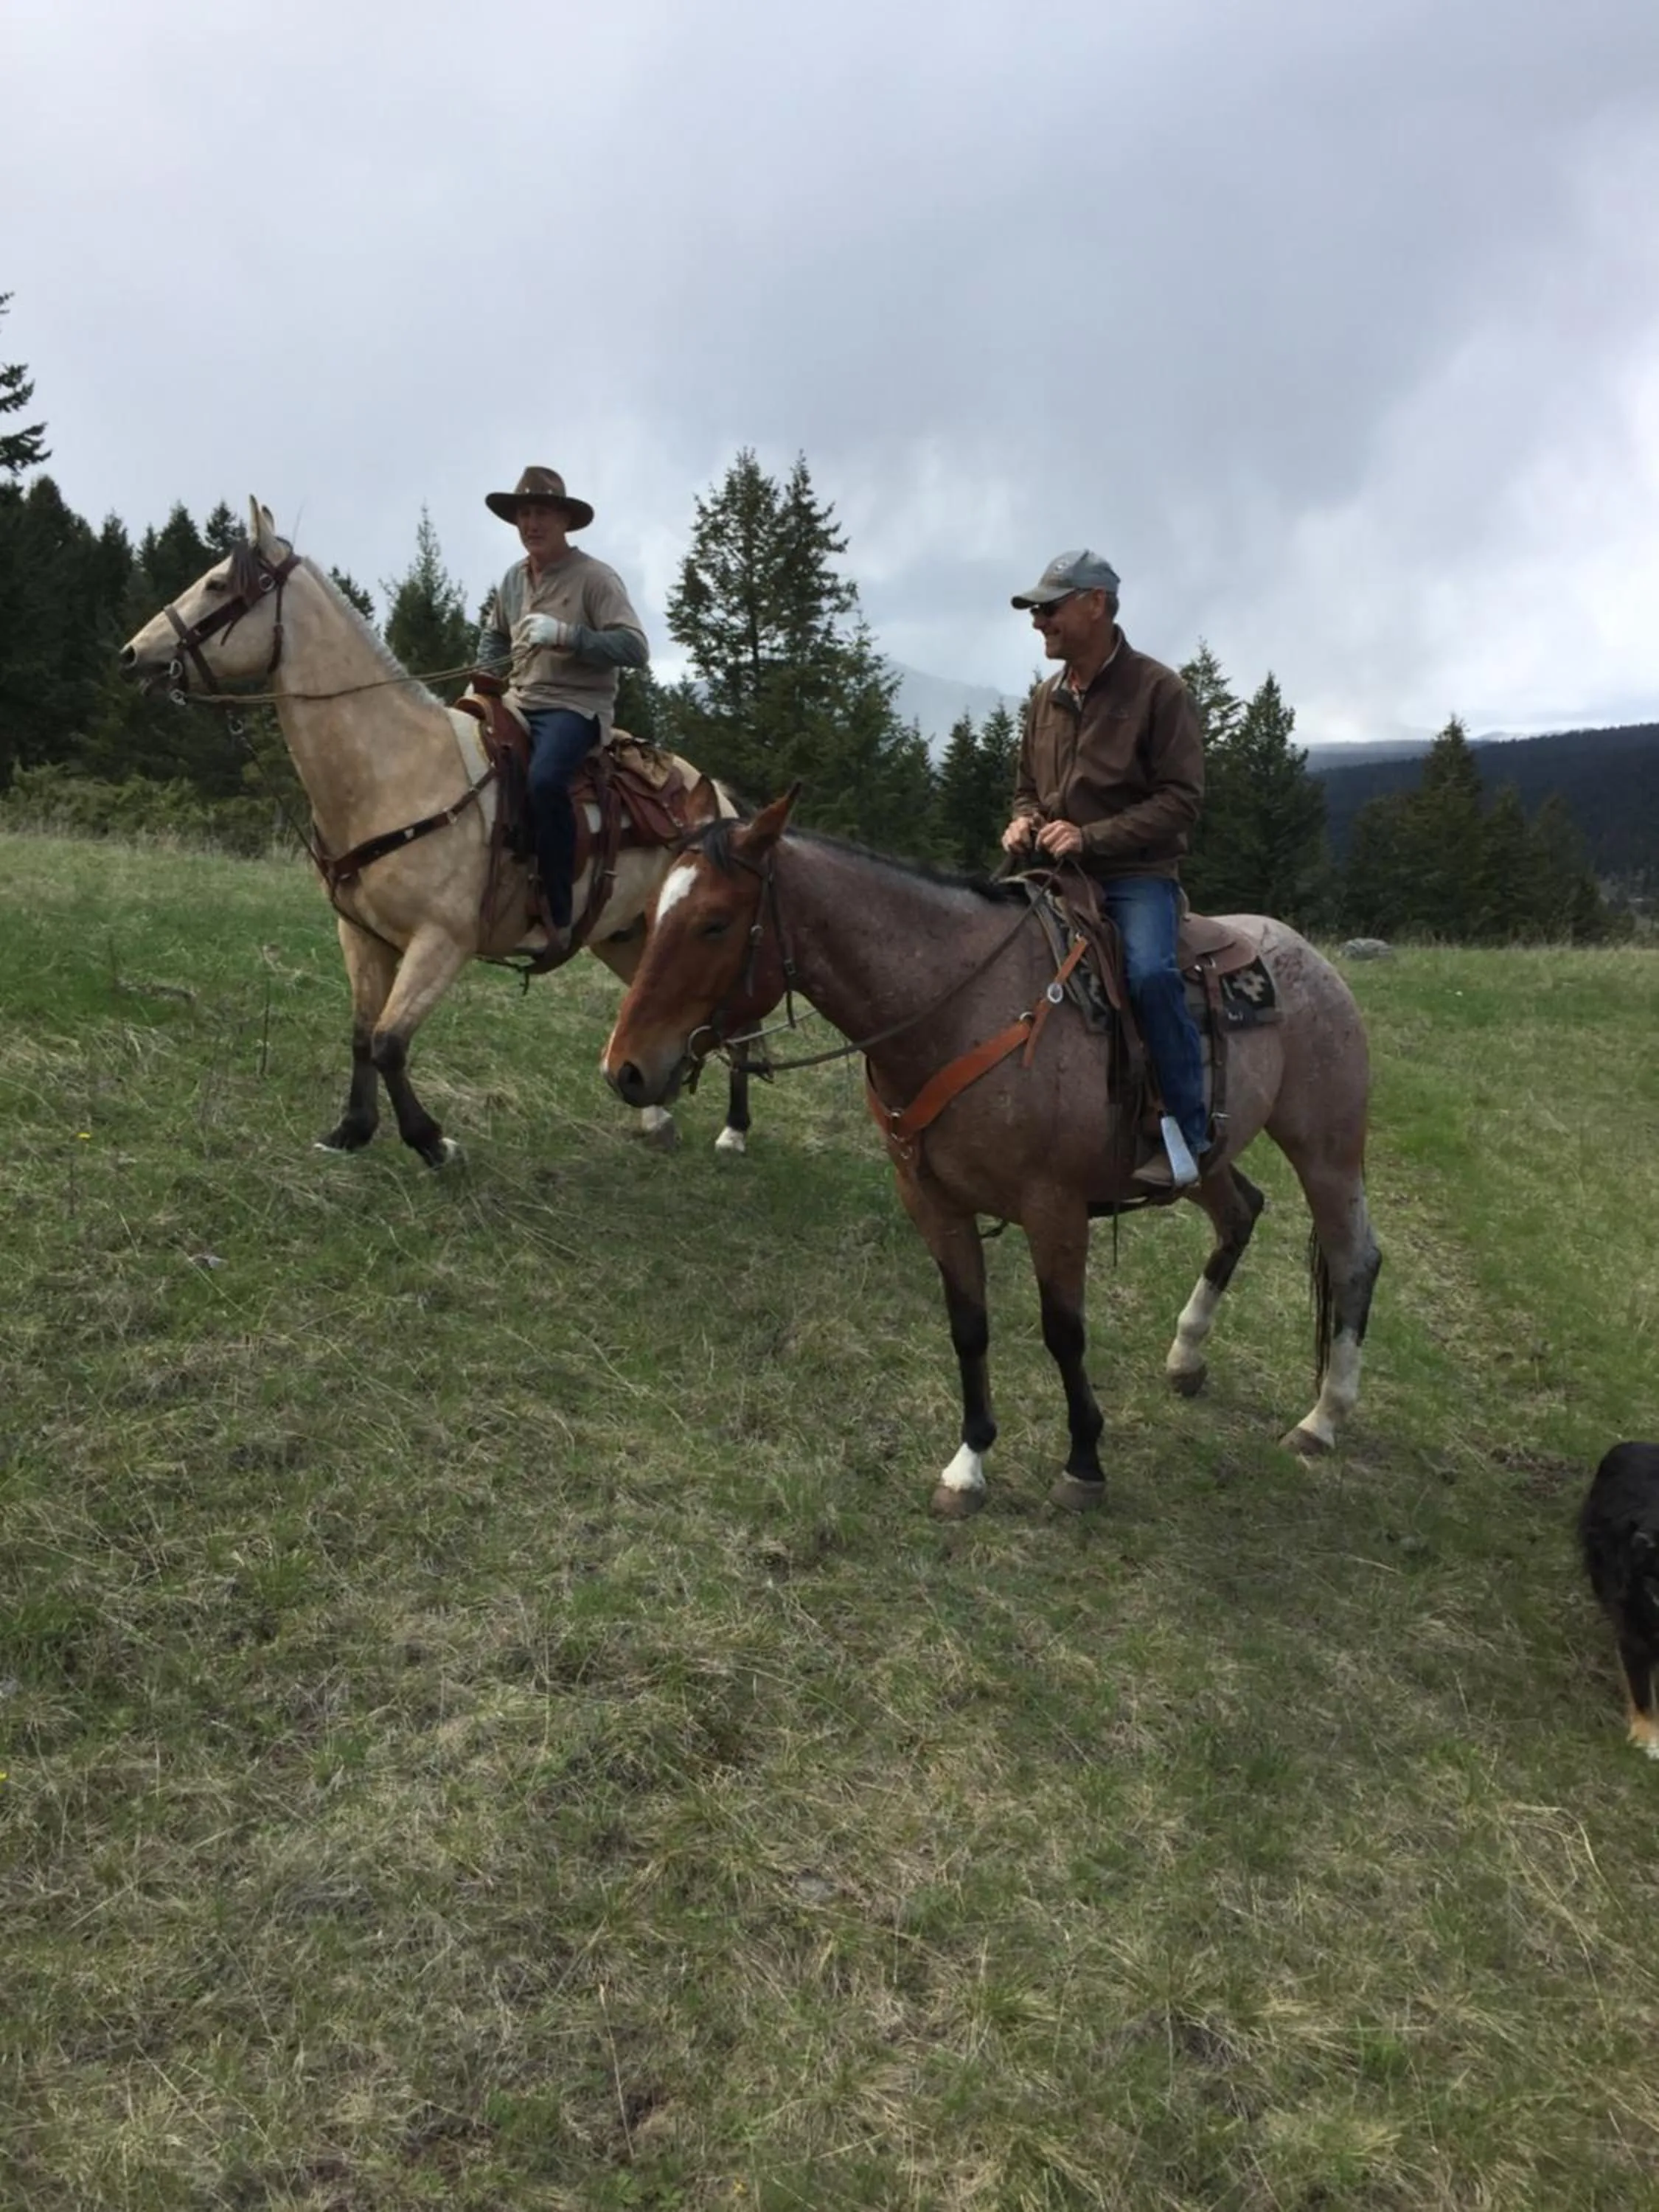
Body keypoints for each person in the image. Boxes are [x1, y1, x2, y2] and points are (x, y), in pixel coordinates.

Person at [999, 549, 1210, 1189]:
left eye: (1050, 607)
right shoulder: (1046, 697)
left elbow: (1181, 802)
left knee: (1148, 975)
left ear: (1096, 604)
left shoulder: (1158, 691)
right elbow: (1026, 787)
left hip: (1134, 877)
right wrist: (1023, 819)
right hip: (1050, 869)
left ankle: (1189, 1133)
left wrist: (1091, 838)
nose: (1039, 620)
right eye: (1036, 610)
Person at [476, 465, 649, 953]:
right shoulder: (514, 579)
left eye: (543, 513)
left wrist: (569, 637)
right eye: (524, 513)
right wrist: (485, 677)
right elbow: (495, 634)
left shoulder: (596, 578)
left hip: (575, 707)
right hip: (519, 698)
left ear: (564, 520)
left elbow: (635, 648)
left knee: (545, 781)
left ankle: (558, 912)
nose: (532, 523)